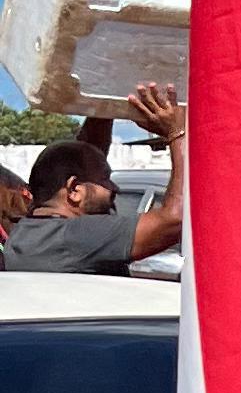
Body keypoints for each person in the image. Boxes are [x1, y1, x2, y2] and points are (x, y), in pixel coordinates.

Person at [3, 84, 184, 273]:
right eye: (105, 179)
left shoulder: (30, 233)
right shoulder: (76, 237)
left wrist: (105, 101)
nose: (114, 187)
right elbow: (174, 219)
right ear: (74, 190)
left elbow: (88, 155)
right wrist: (177, 132)